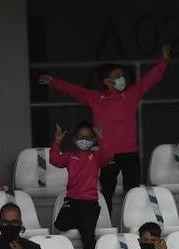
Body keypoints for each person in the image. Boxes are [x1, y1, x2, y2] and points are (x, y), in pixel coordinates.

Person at [39, 47, 171, 211]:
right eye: (118, 76)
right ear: (107, 81)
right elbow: (73, 90)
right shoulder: (95, 98)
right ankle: (107, 223)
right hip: (106, 153)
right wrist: (53, 82)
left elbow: (149, 80)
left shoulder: (130, 95)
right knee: (106, 190)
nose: (122, 79)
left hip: (130, 152)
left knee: (133, 190)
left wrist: (163, 61)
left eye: (122, 75)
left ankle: (133, 220)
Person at [50, 122, 114, 249]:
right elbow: (54, 160)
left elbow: (108, 155)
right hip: (71, 200)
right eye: (80, 137)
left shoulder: (96, 156)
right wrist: (57, 141)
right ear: (74, 139)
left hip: (89, 203)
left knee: (88, 240)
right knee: (60, 224)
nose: (83, 140)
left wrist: (101, 138)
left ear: (92, 140)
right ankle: (81, 222)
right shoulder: (69, 156)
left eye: (87, 137)